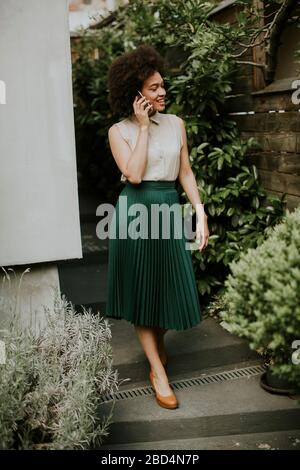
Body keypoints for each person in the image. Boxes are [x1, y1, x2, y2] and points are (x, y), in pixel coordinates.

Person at [105, 45, 209, 409]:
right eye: (153, 88)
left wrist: (199, 211)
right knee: (142, 292)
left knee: (167, 287)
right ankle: (158, 373)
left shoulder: (177, 124)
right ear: (135, 94)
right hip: (135, 214)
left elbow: (185, 172)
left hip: (167, 209)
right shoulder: (119, 131)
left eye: (162, 85)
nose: (162, 92)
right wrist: (145, 128)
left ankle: (158, 345)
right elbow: (132, 175)